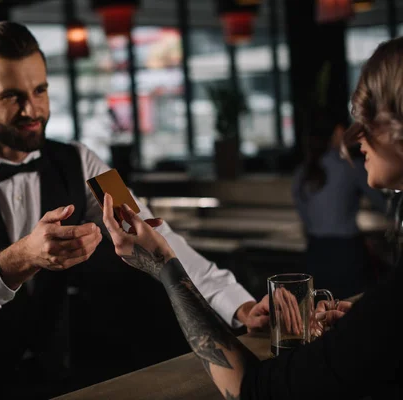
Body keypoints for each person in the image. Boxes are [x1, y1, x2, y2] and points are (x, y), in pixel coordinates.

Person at [0, 21, 269, 399]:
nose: (33, 109)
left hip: (54, 383)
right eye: (12, 96)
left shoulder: (81, 161)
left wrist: (237, 305)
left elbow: (154, 236)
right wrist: (22, 257)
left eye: (40, 90)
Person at [102, 36, 403, 399]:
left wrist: (163, 265)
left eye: (366, 117)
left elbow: (255, 390)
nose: (355, 139)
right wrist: (361, 318)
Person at [292, 112, 387, 299]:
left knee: (320, 315)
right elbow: (383, 203)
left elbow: (304, 216)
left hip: (315, 253)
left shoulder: (301, 172)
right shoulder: (351, 167)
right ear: (337, 132)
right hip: (346, 254)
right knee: (353, 314)